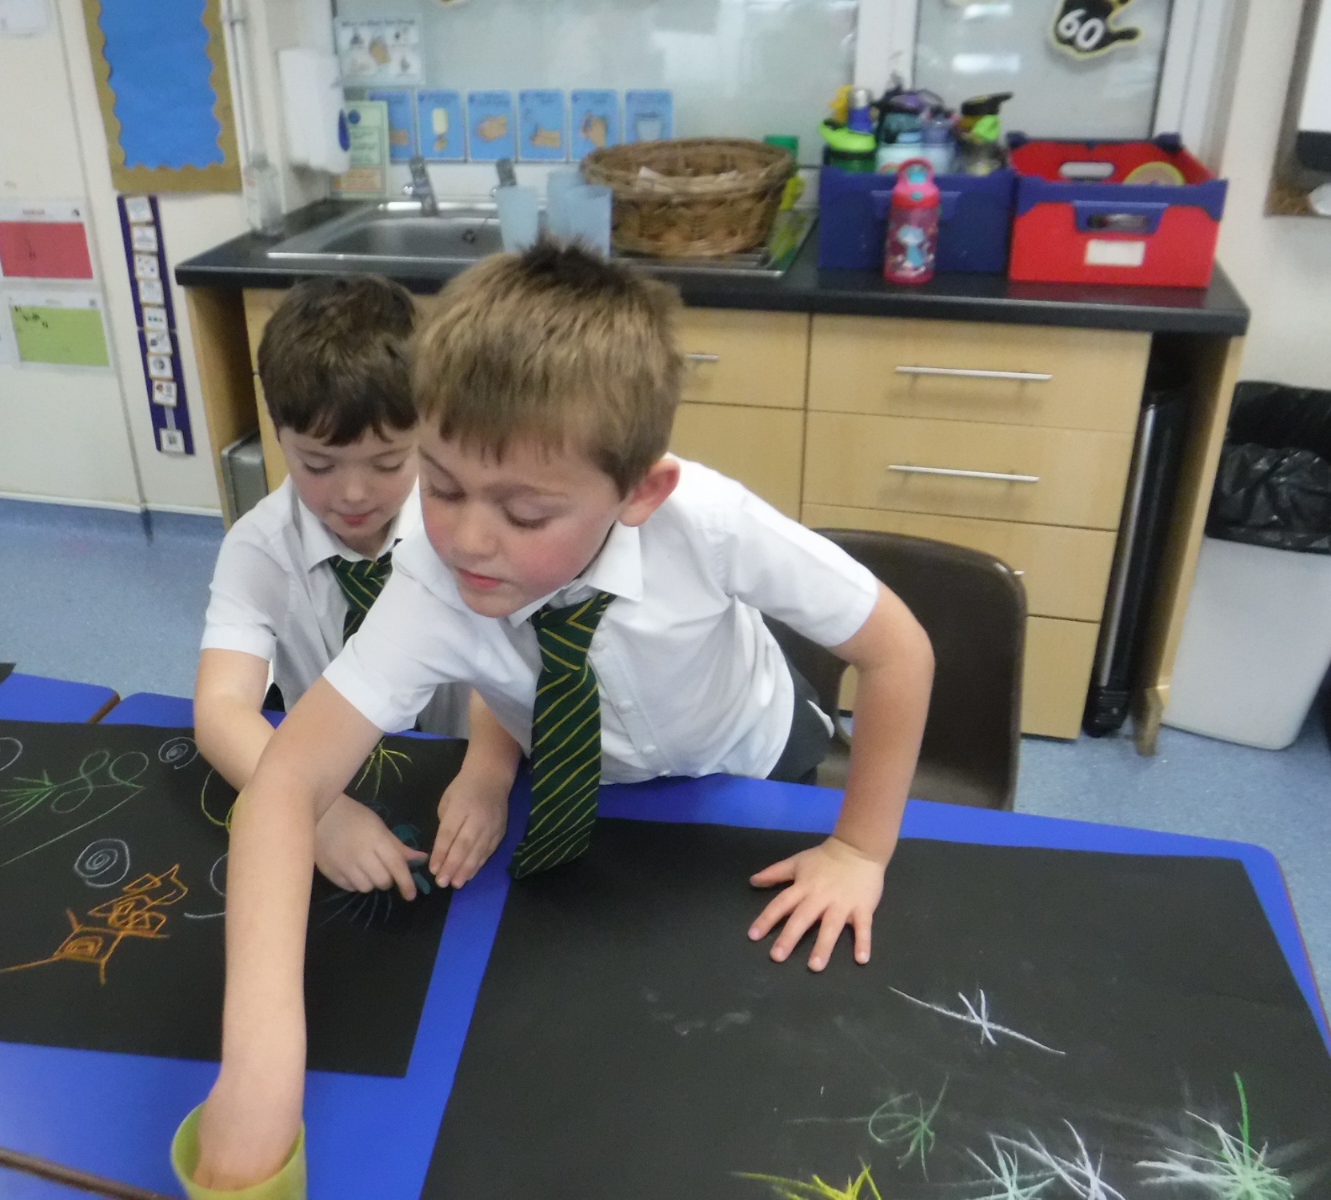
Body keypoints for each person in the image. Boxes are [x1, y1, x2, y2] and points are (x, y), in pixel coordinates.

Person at [185, 242, 934, 1195]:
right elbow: (286, 785)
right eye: (442, 486)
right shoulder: (432, 582)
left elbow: (898, 650)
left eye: (526, 514)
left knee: (762, 1045)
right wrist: (258, 1072)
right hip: (587, 786)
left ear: (639, 492)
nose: (466, 538)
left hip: (749, 762)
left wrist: (860, 850)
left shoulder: (706, 523)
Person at [194, 274, 520, 904]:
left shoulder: (466, 531)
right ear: (279, 434)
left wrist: (487, 772)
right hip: (327, 773)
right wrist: (315, 812)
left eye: (388, 462)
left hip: (461, 768)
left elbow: (505, 661)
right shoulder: (260, 548)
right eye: (317, 464)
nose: (352, 493)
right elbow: (221, 708)